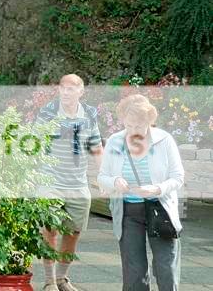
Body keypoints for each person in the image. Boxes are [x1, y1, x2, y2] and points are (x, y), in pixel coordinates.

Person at [98, 93, 184, 291]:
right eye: (129, 125)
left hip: (160, 209)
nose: (133, 131)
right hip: (128, 212)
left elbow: (178, 177)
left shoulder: (164, 140)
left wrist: (157, 189)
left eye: (138, 126)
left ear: (149, 121)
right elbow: (102, 176)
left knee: (166, 267)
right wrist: (115, 181)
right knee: (134, 271)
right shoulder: (115, 141)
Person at [35, 74, 103, 291]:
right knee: (50, 231)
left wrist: (103, 175)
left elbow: (96, 147)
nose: (66, 92)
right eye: (63, 88)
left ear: (81, 91)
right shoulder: (48, 113)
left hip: (78, 184)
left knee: (73, 233)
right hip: (50, 182)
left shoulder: (89, 115)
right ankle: (49, 281)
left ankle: (62, 279)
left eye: (71, 88)